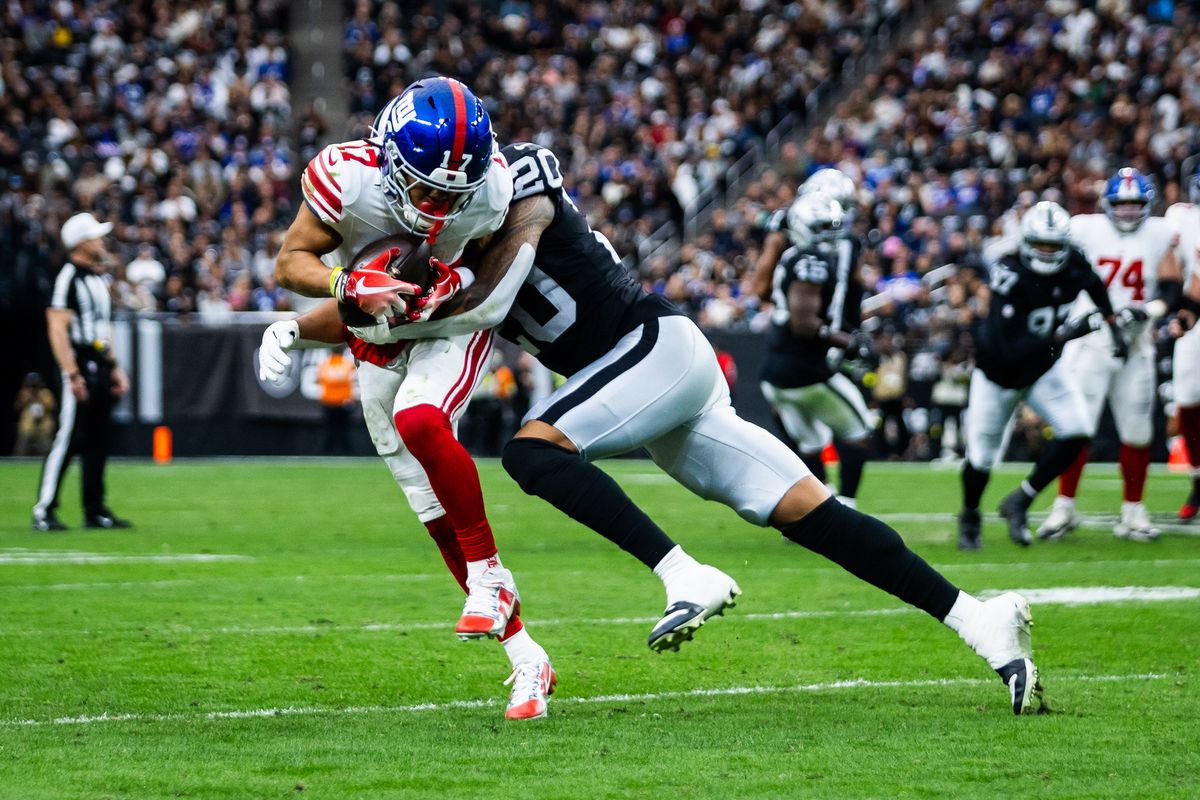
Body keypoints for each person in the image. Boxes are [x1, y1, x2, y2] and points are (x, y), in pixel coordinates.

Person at [276, 141, 1046, 715]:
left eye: (444, 193)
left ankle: (684, 574)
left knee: (532, 452)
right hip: (644, 374)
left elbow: (488, 295)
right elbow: (377, 312)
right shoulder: (441, 234)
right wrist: (309, 324)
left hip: (649, 346)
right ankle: (980, 620)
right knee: (811, 513)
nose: (432, 207)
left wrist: (406, 301)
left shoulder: (519, 184)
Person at [262, 77, 560, 721]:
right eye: (425, 189)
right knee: (432, 509)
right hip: (377, 336)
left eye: (452, 195)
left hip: (449, 324)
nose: (436, 208)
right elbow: (290, 263)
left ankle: (490, 576)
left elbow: (488, 271)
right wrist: (342, 287)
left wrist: (458, 281)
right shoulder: (347, 178)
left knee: (421, 419)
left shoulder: (490, 192)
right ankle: (527, 658)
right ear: (390, 161)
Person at [958, 202, 1122, 549]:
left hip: (1043, 369)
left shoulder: (1074, 262)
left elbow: (1094, 284)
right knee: (982, 457)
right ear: (1026, 242)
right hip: (998, 374)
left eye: (1054, 245)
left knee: (1078, 431)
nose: (1047, 252)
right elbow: (1009, 347)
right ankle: (970, 515)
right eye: (1041, 244)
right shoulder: (1010, 273)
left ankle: (1021, 499)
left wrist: (1112, 325)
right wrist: (1065, 335)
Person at [1039, 168, 1182, 541]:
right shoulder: (1086, 229)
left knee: (1137, 430)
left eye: (1135, 204)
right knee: (1077, 426)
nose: (1128, 211)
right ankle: (1064, 507)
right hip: (1092, 341)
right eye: (1121, 204)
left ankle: (1133, 511)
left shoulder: (1160, 233)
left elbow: (1171, 287)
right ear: (1108, 204)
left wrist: (1149, 311)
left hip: (1136, 342)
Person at [751, 168, 868, 501]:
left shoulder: (813, 248)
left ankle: (821, 503)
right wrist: (847, 339)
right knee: (856, 430)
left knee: (811, 437)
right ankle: (842, 504)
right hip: (814, 349)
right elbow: (790, 310)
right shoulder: (807, 254)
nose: (837, 223)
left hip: (798, 350)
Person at [32, 212, 132, 532]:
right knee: (68, 435)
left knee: (98, 438)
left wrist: (114, 367)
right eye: (95, 236)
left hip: (98, 361)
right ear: (80, 242)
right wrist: (72, 373)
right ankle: (44, 508)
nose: (101, 241)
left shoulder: (98, 278)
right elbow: (56, 327)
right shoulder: (68, 277)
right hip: (78, 361)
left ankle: (95, 508)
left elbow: (102, 330)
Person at [1164, 177, 1200, 520]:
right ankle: (1198, 479)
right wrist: (1180, 311)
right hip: (1195, 315)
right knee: (1187, 401)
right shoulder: (1182, 217)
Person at [314, 349, 356, 454]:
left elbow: (319, 380)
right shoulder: (347, 364)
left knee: (330, 429)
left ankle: (326, 452)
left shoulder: (325, 364)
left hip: (328, 401)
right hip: (344, 402)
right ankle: (347, 452)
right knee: (344, 429)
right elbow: (352, 380)